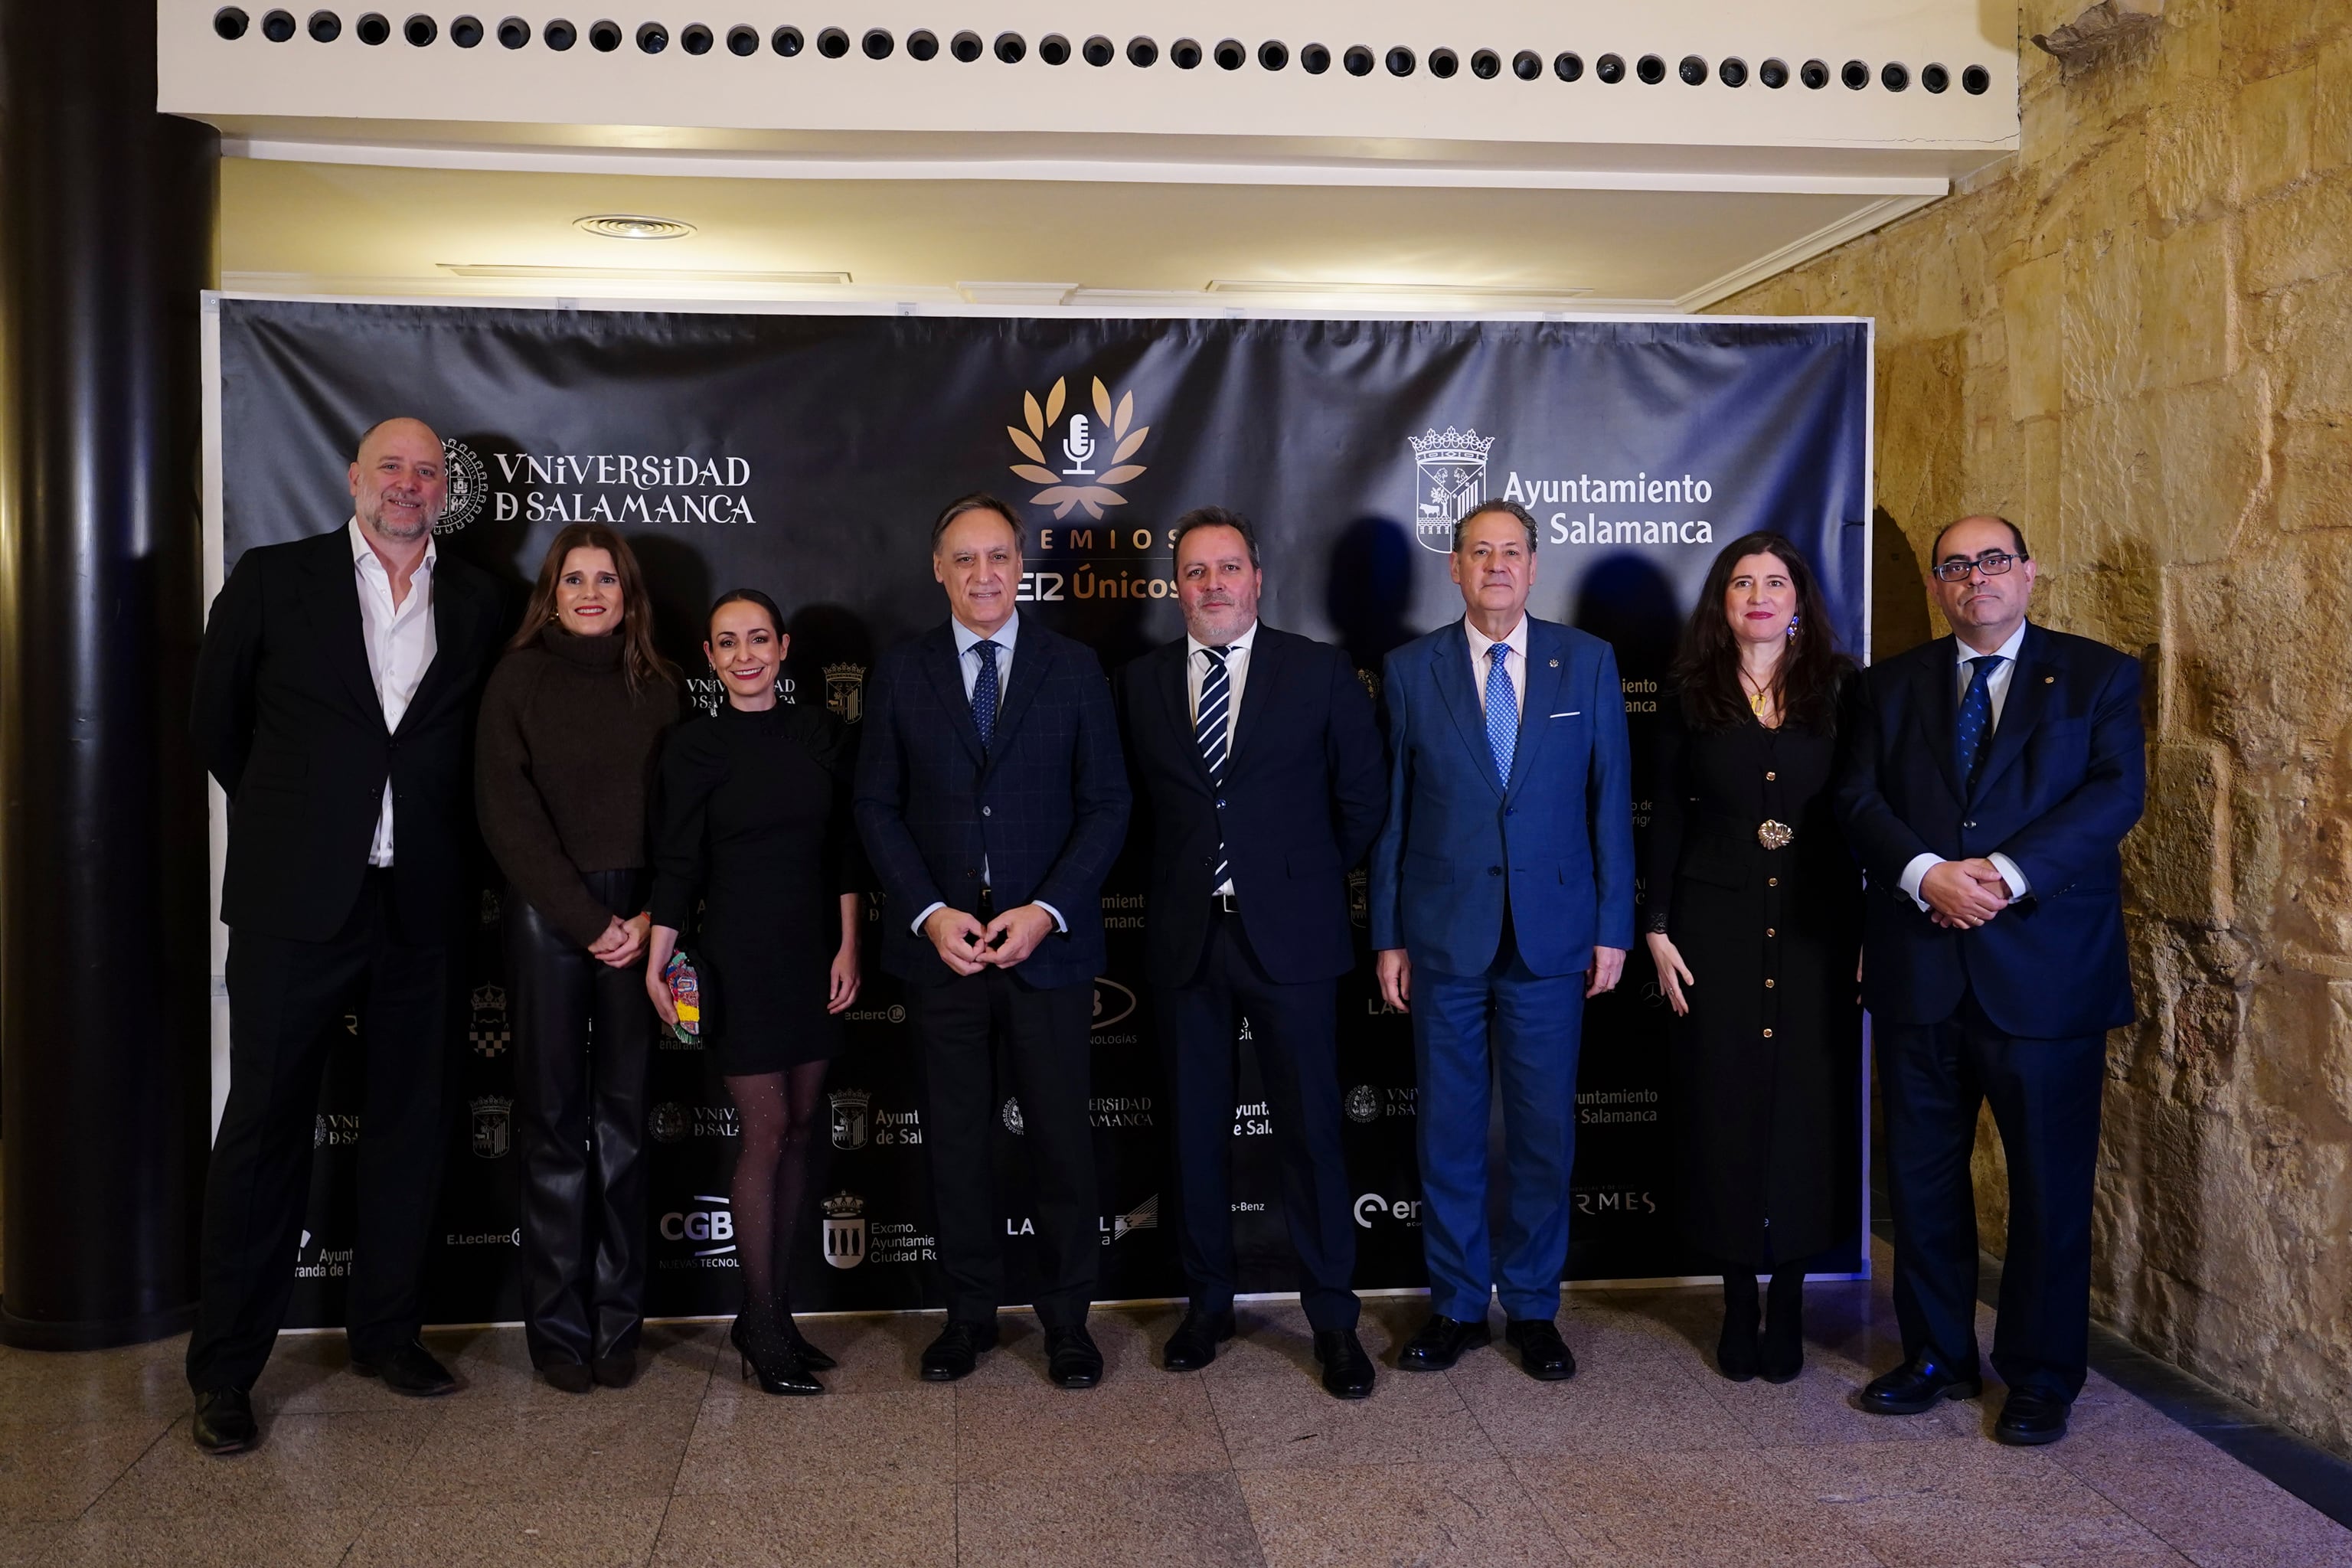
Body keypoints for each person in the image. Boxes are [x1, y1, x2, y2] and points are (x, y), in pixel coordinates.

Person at [185, 416, 505, 1454]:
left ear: (442, 491)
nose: (408, 486)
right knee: (265, 1130)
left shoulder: (478, 599)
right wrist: (308, 821)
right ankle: (227, 1369)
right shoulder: (275, 579)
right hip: (296, 904)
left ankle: (388, 1333)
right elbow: (216, 725)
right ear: (353, 478)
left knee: (413, 1125)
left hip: (425, 904)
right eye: (391, 469)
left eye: (426, 472)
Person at [1833, 514, 2145, 1446]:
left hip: (2045, 976)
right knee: (1923, 1179)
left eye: (1994, 561)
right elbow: (1854, 798)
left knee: (2049, 1188)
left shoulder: (2096, 675)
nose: (1978, 578)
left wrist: (2001, 876)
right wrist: (1926, 871)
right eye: (1957, 566)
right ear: (1937, 584)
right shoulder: (1886, 687)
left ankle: (2042, 1376)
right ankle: (1935, 1354)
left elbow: (2114, 795)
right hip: (1921, 967)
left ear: (2028, 572)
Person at [853, 495, 1130, 1388]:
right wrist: (931, 912)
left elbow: (1107, 806)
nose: (984, 574)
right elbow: (875, 806)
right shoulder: (900, 672)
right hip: (943, 953)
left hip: (1046, 950)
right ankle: (968, 1315)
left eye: (1000, 557)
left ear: (1022, 564)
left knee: (1060, 1143)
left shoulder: (1075, 667)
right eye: (965, 559)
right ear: (938, 568)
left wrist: (1046, 908)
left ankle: (1067, 1322)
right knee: (957, 1143)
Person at [1116, 507, 1387, 1399]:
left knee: (1312, 1134)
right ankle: (1206, 1304)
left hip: (1294, 939)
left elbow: (1362, 801)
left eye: (1228, 567)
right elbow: (1128, 815)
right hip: (1186, 940)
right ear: (1177, 586)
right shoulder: (1142, 683)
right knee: (1195, 1135)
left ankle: (1335, 1321)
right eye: (1195, 571)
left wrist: (1294, 879)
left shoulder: (1317, 672)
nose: (1213, 585)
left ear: (1258, 578)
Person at [1368, 498, 1635, 1380]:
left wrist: (1611, 927)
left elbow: (1610, 806)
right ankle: (1453, 1303)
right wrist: (1390, 934)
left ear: (1533, 564)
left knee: (1542, 1134)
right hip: (1442, 937)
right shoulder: (1410, 669)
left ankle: (1531, 1304)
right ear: (1454, 566)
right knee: (1447, 1131)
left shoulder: (1587, 663)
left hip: (1553, 940)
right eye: (1478, 551)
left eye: (1511, 551)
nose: (1495, 566)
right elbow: (1395, 816)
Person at [1643, 534, 1864, 1385]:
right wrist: (1657, 926)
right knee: (1726, 1103)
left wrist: (1871, 926)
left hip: (1819, 924)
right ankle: (1739, 1294)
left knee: (1807, 1107)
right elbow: (1664, 812)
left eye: (1776, 581)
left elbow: (1862, 810)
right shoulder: (1688, 692)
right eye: (1742, 581)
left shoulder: (1843, 689)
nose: (1759, 594)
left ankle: (1795, 1296)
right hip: (1713, 926)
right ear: (1721, 600)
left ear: (1800, 600)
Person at [475, 524, 678, 1393]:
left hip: (641, 917)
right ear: (550, 594)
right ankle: (558, 1329)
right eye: (573, 579)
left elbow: (683, 814)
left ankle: (619, 1321)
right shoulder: (517, 677)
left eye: (606, 579)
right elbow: (504, 811)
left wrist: (648, 913)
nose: (591, 592)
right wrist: (589, 920)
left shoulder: (661, 686)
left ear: (628, 595)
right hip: (549, 914)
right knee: (555, 1122)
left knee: (625, 1127)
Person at [646, 590, 864, 1396]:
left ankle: (775, 1310)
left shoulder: (822, 734)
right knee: (766, 1128)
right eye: (727, 642)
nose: (745, 654)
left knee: (805, 1125)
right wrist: (657, 958)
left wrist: (848, 943)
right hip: (736, 957)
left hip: (811, 951)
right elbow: (679, 863)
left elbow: (845, 847)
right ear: (708, 655)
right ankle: (761, 1320)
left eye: (759, 639)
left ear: (783, 647)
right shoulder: (692, 747)